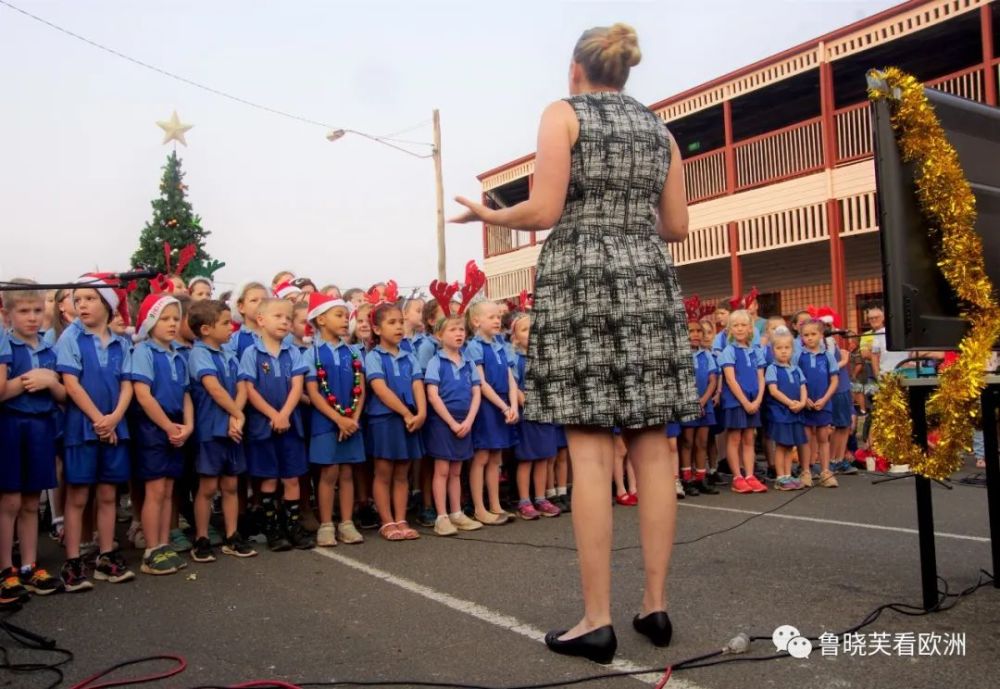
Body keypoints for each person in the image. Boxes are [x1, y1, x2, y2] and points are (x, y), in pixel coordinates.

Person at [450, 23, 698, 662]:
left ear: (575, 70)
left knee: (589, 452)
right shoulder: (659, 130)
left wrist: (488, 215)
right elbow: (677, 225)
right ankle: (656, 606)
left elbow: (542, 209)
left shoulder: (562, 114)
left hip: (583, 275)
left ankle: (596, 619)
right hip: (647, 275)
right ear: (625, 72)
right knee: (653, 449)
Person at [56, 276, 135, 590]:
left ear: (107, 304)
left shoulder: (122, 343)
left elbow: (128, 384)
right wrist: (99, 420)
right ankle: (73, 560)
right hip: (82, 429)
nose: (82, 305)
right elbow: (71, 384)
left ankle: (106, 555)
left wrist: (114, 418)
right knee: (77, 496)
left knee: (107, 494)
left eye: (90, 298)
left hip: (115, 428)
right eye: (78, 300)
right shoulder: (71, 339)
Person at [0, 281, 65, 599]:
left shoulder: (51, 349)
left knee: (30, 501)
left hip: (41, 428)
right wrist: (30, 381)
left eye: (37, 310)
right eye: (23, 310)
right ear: (7, 313)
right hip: (11, 426)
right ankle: (4, 570)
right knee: (9, 500)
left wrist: (51, 381)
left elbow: (64, 395)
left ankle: (29, 565)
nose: (32, 317)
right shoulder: (5, 347)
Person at [239, 299, 315, 551]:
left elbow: (297, 387)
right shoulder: (251, 352)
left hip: (290, 424)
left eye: (288, 317)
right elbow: (249, 389)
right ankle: (272, 528)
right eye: (278, 316)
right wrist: (273, 414)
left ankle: (292, 526)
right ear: (261, 320)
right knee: (269, 479)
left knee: (292, 477)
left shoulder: (293, 351)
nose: (285, 321)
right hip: (263, 426)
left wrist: (284, 414)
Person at [129, 293, 194, 575]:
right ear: (150, 321)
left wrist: (188, 425)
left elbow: (186, 394)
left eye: (176, 319)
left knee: (169, 490)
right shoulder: (143, 352)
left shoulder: (178, 355)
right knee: (154, 491)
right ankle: (151, 549)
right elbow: (143, 395)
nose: (171, 324)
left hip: (177, 427)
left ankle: (165, 543)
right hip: (153, 429)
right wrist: (168, 427)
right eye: (164, 318)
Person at [187, 299, 255, 562]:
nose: (231, 327)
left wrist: (237, 419)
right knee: (207, 487)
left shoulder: (229, 353)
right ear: (205, 329)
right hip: (210, 430)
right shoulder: (199, 353)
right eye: (225, 323)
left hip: (232, 429)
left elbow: (241, 388)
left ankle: (231, 535)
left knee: (230, 484)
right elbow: (213, 388)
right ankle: (202, 537)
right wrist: (236, 414)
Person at [304, 294, 366, 547]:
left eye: (346, 316)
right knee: (329, 473)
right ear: (321, 319)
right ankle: (327, 524)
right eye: (339, 316)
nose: (345, 321)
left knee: (347, 472)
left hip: (351, 422)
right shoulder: (312, 353)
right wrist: (338, 420)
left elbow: (360, 388)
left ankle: (347, 522)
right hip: (326, 423)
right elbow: (313, 392)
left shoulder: (353, 352)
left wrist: (353, 419)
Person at [365, 301, 426, 541]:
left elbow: (417, 385)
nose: (399, 327)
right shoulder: (373, 357)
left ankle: (401, 519)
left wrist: (421, 413)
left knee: (403, 472)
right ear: (377, 329)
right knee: (384, 472)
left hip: (410, 420)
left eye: (401, 322)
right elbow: (380, 390)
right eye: (392, 323)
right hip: (385, 420)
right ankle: (386, 521)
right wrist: (406, 413)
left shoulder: (409, 357)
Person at [422, 312, 484, 536]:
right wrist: (451, 422)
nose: (459, 333)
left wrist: (468, 420)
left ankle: (457, 513)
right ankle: (441, 516)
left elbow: (477, 393)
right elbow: (433, 395)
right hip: (442, 423)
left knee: (457, 471)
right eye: (452, 330)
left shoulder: (469, 362)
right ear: (439, 335)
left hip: (464, 422)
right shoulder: (435, 362)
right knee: (442, 470)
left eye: (461, 330)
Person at [465, 301, 518, 526]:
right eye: (491, 317)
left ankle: (495, 504)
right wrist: (503, 406)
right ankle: (479, 507)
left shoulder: (499, 344)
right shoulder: (474, 346)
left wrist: (513, 405)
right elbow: (482, 383)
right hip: (488, 407)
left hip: (502, 406)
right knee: (482, 457)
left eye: (498, 317)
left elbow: (510, 378)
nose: (497, 321)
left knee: (496, 457)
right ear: (476, 321)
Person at [510, 312, 562, 519]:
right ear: (515, 337)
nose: (530, 333)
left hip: (545, 412)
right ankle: (524, 500)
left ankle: (541, 498)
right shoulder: (516, 358)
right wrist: (525, 401)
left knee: (544, 457)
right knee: (527, 458)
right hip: (528, 414)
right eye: (524, 330)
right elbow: (514, 384)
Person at [719, 310, 767, 494]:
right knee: (734, 438)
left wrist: (757, 399)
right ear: (730, 329)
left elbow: (761, 377)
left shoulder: (756, 351)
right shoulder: (729, 351)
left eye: (743, 325)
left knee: (749, 438)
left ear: (750, 328)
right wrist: (745, 402)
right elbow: (731, 380)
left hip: (754, 401)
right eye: (736, 325)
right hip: (736, 402)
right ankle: (737, 477)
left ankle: (750, 475)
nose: (740, 328)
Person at [794, 320, 839, 488]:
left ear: (821, 335)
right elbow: (796, 379)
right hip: (805, 403)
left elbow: (834, 380)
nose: (810, 338)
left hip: (823, 402)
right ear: (801, 337)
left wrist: (825, 399)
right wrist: (804, 399)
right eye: (806, 335)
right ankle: (805, 471)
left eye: (813, 334)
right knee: (805, 437)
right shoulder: (798, 356)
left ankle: (826, 472)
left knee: (823, 437)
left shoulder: (827, 355)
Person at [679, 318, 719, 496]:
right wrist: (693, 401)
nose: (695, 334)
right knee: (687, 441)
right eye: (691, 331)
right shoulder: (681, 355)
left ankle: (700, 477)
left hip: (705, 404)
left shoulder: (707, 354)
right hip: (688, 403)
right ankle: (686, 478)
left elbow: (712, 380)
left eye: (698, 331)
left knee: (702, 442)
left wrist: (703, 400)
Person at [764, 328, 806, 491]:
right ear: (773, 350)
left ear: (792, 349)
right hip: (780, 413)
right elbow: (773, 391)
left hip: (795, 411)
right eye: (779, 348)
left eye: (786, 348)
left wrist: (802, 403)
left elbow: (803, 386)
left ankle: (788, 474)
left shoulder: (796, 369)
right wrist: (790, 403)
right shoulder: (772, 369)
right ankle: (780, 477)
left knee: (790, 445)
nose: (783, 351)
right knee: (781, 445)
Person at [227, 282, 268, 359]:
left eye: (265, 300)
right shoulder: (233, 340)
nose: (260, 303)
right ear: (241, 307)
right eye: (254, 300)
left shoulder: (278, 335)